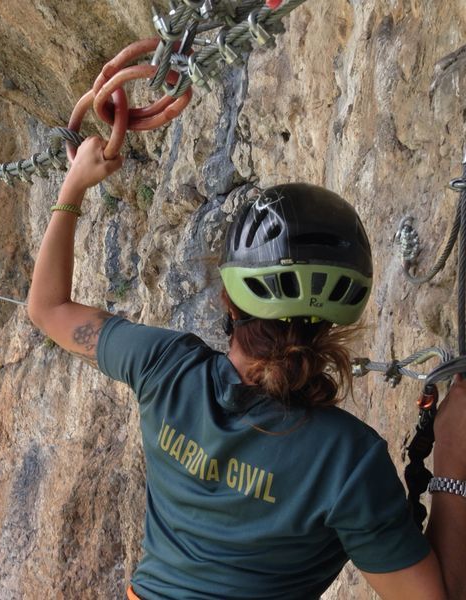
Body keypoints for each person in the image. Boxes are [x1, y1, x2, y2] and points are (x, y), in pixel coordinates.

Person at [28, 136, 466, 599]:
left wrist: (74, 185)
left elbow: (48, 308)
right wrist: (454, 454)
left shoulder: (164, 367)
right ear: (341, 318)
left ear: (228, 301)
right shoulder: (347, 462)